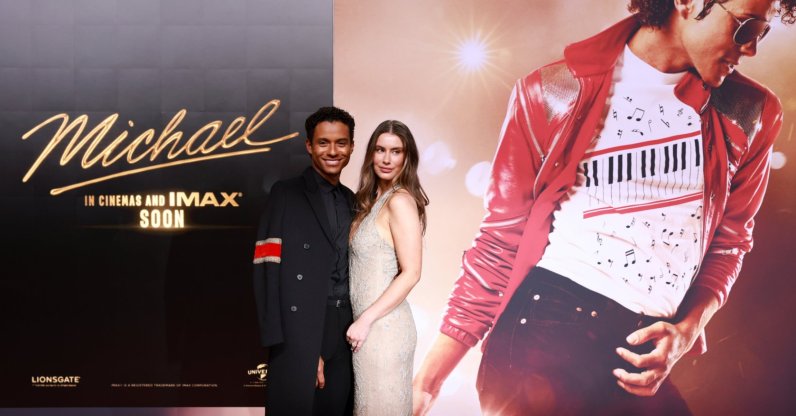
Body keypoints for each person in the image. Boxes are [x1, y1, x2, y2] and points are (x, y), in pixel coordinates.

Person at [413, 0, 794, 414]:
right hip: (546, 325)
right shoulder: (552, 92)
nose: (752, 48)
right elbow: (500, 241)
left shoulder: (751, 114)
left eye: (762, 32)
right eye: (745, 28)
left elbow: (730, 243)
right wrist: (428, 381)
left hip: (638, 349)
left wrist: (687, 331)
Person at [252, 106, 356, 416]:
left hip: (347, 327)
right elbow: (265, 267)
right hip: (302, 325)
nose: (333, 151)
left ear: (351, 146)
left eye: (341, 143)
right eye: (323, 142)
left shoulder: (353, 199)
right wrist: (289, 346)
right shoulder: (285, 194)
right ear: (309, 146)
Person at [346, 120, 429, 415]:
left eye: (396, 151)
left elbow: (412, 272)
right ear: (371, 154)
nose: (386, 158)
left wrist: (365, 320)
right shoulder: (372, 201)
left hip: (383, 328)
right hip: (366, 330)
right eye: (380, 150)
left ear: (407, 158)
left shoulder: (400, 201)